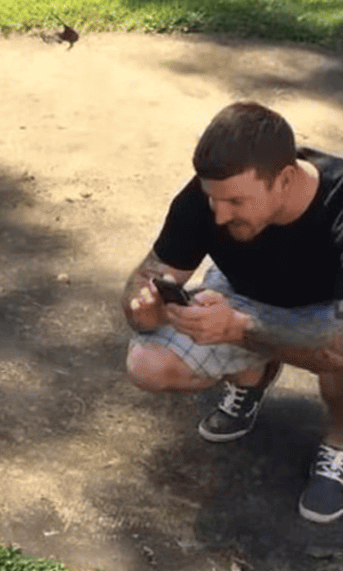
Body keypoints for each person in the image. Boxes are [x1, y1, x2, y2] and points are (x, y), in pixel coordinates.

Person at [123, 102, 343, 524]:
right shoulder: (207, 197)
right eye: (213, 200)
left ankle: (338, 445)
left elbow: (336, 343)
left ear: (285, 179)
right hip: (243, 296)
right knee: (147, 363)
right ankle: (254, 376)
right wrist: (148, 309)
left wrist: (237, 329)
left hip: (328, 316)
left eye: (236, 202)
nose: (220, 215)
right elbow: (142, 280)